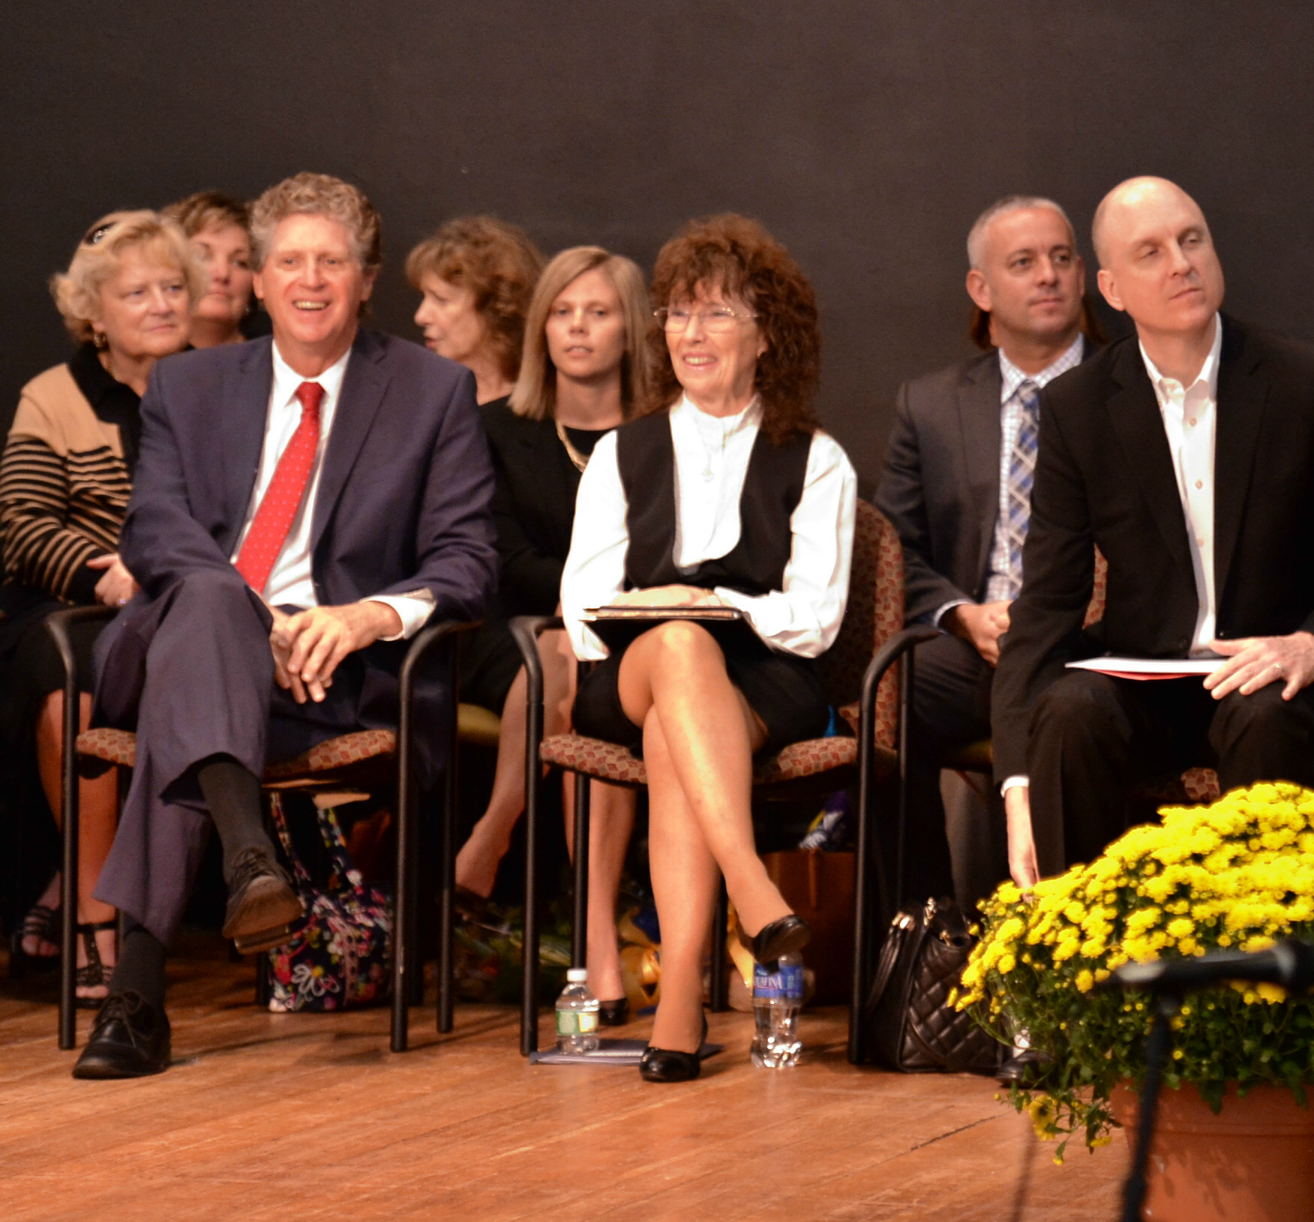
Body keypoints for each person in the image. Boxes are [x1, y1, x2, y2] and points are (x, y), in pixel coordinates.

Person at [73, 172, 497, 1079]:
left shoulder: (431, 392)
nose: (311, 281)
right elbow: (154, 527)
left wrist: (363, 616)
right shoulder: (188, 383)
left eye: (332, 262)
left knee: (187, 707)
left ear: (366, 279)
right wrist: (248, 613)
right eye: (290, 262)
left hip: (332, 673)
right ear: (257, 281)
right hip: (191, 633)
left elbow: (468, 560)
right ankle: (246, 848)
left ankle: (137, 1000)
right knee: (208, 611)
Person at [989, 177, 1314, 889]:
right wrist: (1016, 787)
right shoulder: (1079, 407)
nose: (1181, 263)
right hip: (1150, 674)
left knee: (1266, 717)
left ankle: (1263, 976)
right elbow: (1044, 608)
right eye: (1151, 251)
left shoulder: (1305, 381)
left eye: (1192, 240)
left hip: (1272, 668)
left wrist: (1310, 645)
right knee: (1067, 713)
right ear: (1112, 288)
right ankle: (1083, 973)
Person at [558, 215, 853, 1082]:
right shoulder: (623, 451)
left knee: (680, 721)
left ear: (767, 335)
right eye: (678, 315)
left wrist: (714, 602)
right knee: (678, 647)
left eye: (718, 314)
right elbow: (581, 607)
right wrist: (662, 610)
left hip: (764, 679)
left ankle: (678, 994)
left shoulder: (817, 458)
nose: (691, 334)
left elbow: (819, 615)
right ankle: (750, 888)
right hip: (630, 672)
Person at [874, 195, 1106, 914]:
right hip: (979, 643)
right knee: (890, 693)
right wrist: (963, 615)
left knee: (1079, 708)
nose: (1049, 276)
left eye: (1062, 258)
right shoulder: (932, 404)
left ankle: (1083, 944)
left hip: (1089, 641)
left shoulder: (1132, 387)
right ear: (982, 289)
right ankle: (927, 939)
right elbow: (895, 547)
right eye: (1024, 262)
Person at [452, 247, 654, 1019]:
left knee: (585, 679)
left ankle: (499, 839)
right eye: (562, 313)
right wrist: (590, 596)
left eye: (598, 312)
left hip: (624, 639)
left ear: (631, 330)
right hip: (506, 635)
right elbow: (502, 559)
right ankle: (596, 941)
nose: (577, 328)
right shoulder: (494, 430)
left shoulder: (663, 436)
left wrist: (599, 604)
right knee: (562, 655)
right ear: (540, 329)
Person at [1, 213, 197, 996]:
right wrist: (107, 578)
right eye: (137, 291)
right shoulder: (52, 397)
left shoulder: (222, 385)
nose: (160, 303)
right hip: (69, 606)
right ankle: (94, 918)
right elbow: (20, 527)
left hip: (184, 601)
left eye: (174, 286)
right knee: (71, 678)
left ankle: (70, 884)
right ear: (94, 314)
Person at [408, 216, 543, 405]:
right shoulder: (414, 405)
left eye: (440, 300)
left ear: (495, 307)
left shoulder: (549, 415)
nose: (420, 317)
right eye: (424, 298)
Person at [163, 192, 256, 348]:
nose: (222, 273)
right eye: (202, 256)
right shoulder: (139, 364)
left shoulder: (277, 366)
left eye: (240, 263)